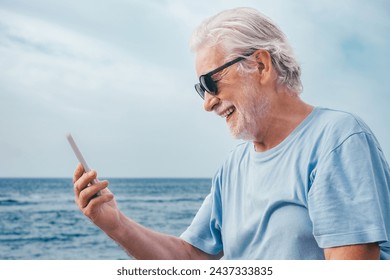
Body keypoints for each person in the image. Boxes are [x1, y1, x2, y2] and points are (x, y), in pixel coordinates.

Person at [73, 7, 390, 259]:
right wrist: (114, 223)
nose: (208, 103)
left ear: (261, 66)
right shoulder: (233, 166)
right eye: (201, 90)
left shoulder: (338, 139)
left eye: (211, 83)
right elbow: (191, 258)